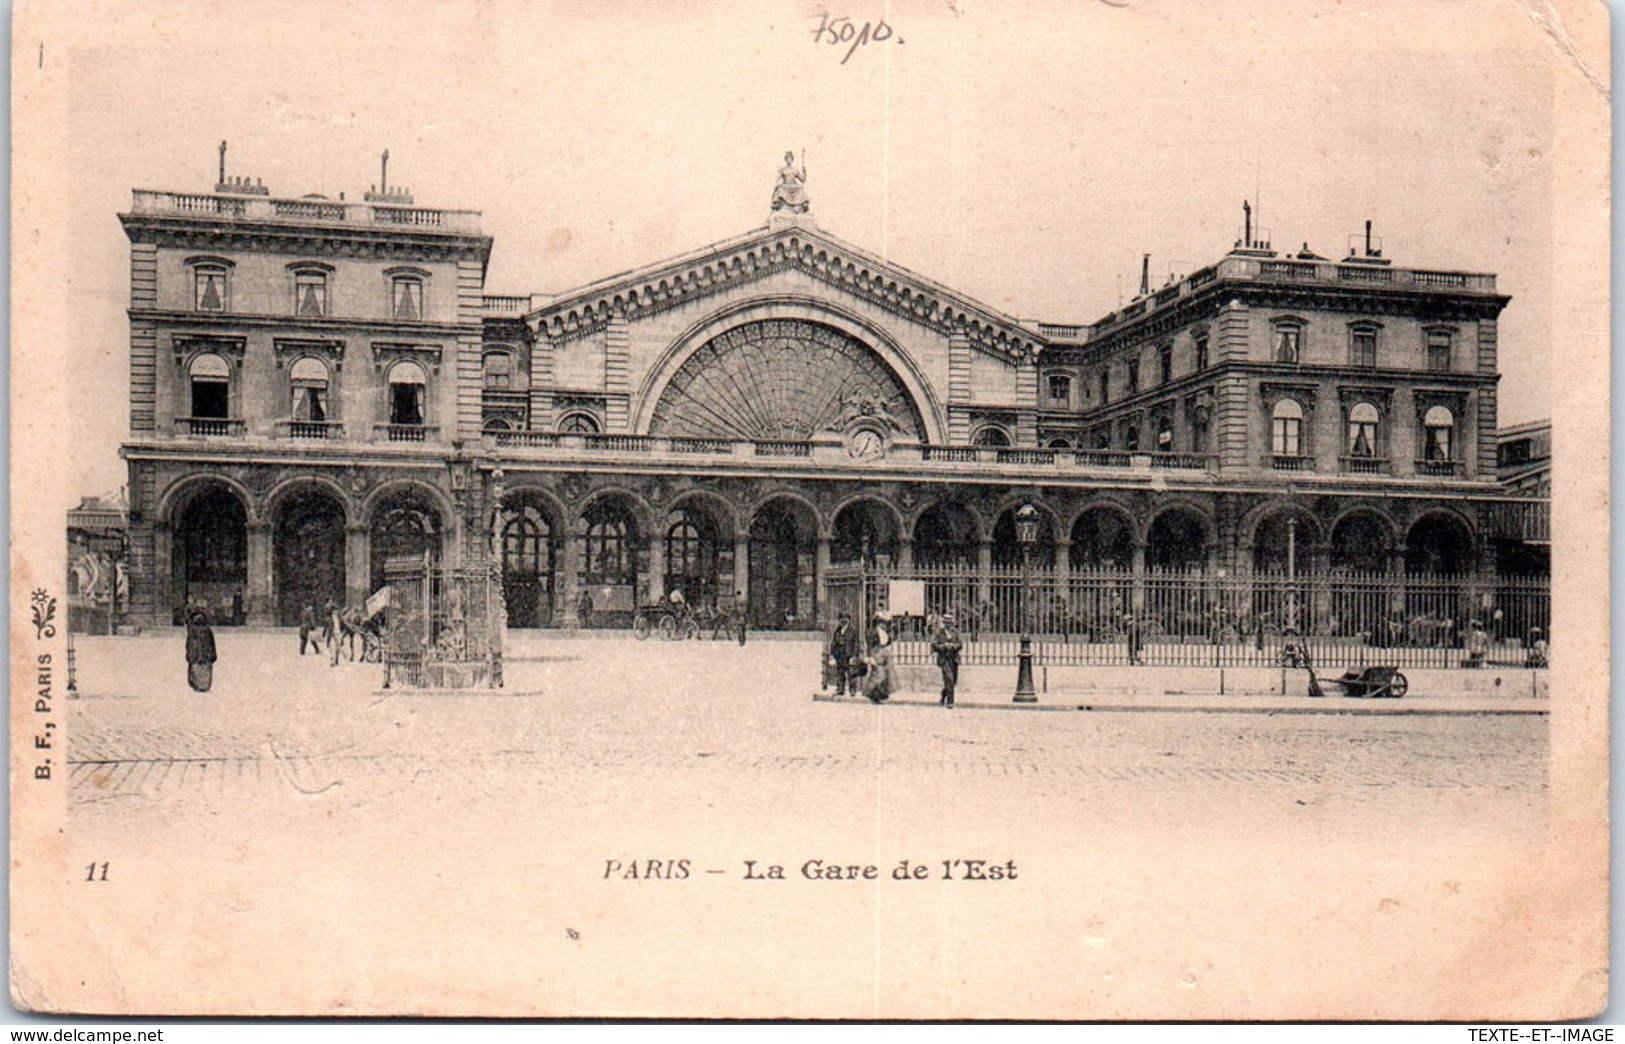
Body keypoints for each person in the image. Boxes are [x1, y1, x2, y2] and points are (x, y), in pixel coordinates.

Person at [931, 611, 963, 708]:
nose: (949, 625)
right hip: (944, 658)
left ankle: (944, 694)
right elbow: (934, 644)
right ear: (944, 623)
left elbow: (960, 644)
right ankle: (950, 702)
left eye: (950, 623)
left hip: (954, 659)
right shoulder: (939, 632)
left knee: (953, 681)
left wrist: (953, 646)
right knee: (949, 679)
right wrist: (944, 646)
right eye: (947, 623)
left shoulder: (955, 632)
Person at [185, 607, 217, 693]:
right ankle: (204, 685)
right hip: (205, 655)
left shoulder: (193, 630)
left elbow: (189, 644)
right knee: (204, 669)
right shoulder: (207, 629)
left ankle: (198, 684)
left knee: (198, 669)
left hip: (196, 656)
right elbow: (212, 644)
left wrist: (189, 655)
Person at [826, 612, 858, 696]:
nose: (843, 621)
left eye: (845, 619)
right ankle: (840, 689)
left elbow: (856, 644)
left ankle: (852, 689)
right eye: (841, 620)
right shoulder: (837, 630)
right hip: (839, 655)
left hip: (849, 655)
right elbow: (833, 643)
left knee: (851, 673)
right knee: (840, 672)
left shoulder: (853, 631)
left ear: (848, 620)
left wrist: (854, 655)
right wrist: (832, 654)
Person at [862, 627, 895, 704]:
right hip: (879, 667)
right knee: (877, 682)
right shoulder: (877, 648)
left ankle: (878, 696)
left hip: (880, 667)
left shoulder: (881, 649)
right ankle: (875, 696)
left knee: (879, 682)